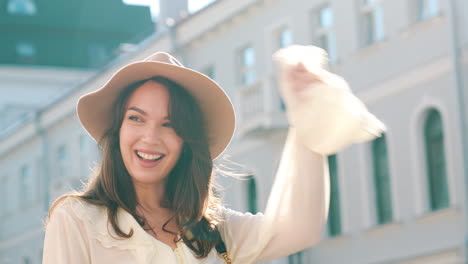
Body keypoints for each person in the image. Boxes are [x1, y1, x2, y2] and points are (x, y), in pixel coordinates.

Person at [42, 47, 384, 263]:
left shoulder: (208, 231)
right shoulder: (78, 219)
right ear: (117, 129)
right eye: (136, 118)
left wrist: (306, 112)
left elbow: (300, 230)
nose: (150, 137)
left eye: (170, 124)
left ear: (188, 141)